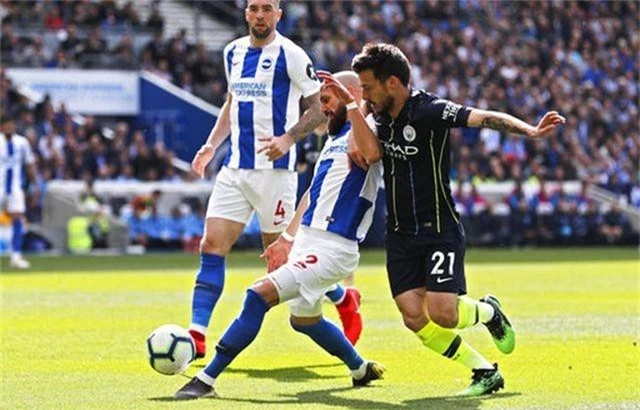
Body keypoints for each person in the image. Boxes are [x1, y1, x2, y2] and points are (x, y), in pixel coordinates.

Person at [326, 43, 565, 396]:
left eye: (368, 87)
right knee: (412, 316)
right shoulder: (376, 113)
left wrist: (529, 130)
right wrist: (356, 114)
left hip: (438, 228)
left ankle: (488, 312)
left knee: (444, 315)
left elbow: (482, 116)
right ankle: (483, 371)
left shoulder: (430, 110)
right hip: (400, 232)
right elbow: (371, 146)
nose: (365, 95)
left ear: (392, 82)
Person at [174, 71, 384, 400]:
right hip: (309, 241)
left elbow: (372, 154)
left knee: (257, 295)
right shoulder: (335, 137)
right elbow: (311, 195)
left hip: (335, 247)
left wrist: (358, 104)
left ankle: (206, 378)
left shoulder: (366, 131)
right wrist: (286, 238)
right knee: (304, 321)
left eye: (326, 99)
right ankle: (360, 368)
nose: (321, 108)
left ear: (349, 94)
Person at [186, 0, 361, 359]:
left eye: (267, 8)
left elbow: (318, 110)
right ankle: (197, 334)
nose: (260, 15)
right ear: (246, 13)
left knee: (283, 260)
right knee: (211, 245)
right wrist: (209, 145)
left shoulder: (293, 55)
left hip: (276, 175)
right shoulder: (232, 52)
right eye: (254, 8)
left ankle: (344, 299)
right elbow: (231, 102)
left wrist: (288, 138)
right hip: (235, 169)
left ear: (278, 14)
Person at [0, 117, 37, 269]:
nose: (9, 127)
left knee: (17, 218)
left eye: (12, 124)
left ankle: (15, 256)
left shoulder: (22, 142)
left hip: (15, 186)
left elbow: (29, 164)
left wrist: (35, 185)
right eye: (6, 125)